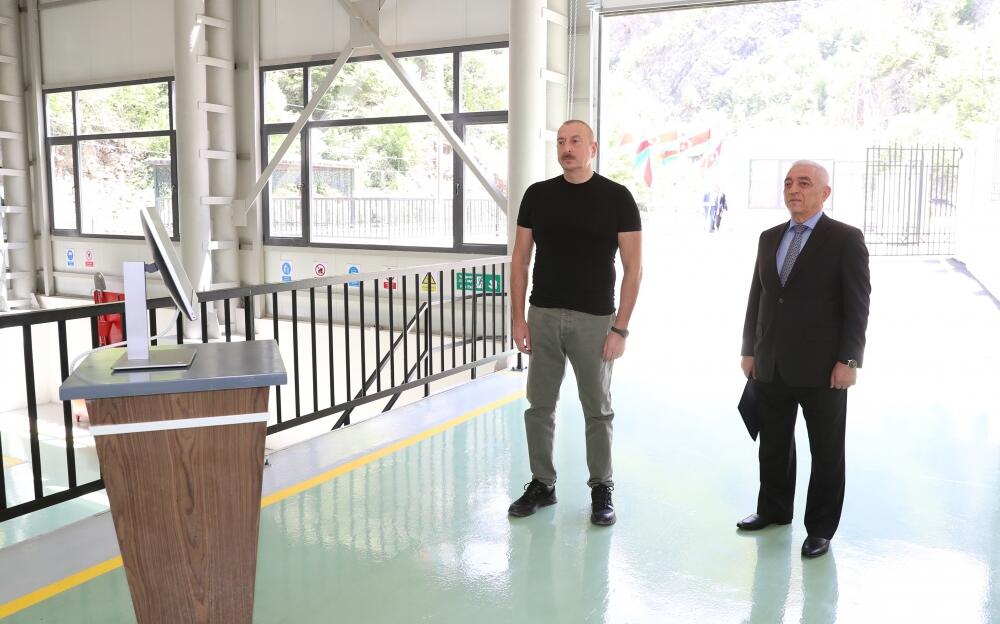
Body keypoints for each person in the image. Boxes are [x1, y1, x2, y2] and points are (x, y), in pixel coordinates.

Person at [507, 119, 643, 526]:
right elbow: (520, 260)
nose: (567, 148)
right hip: (543, 315)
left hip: (595, 320)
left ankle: (601, 487)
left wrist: (620, 328)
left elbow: (634, 269)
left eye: (576, 141)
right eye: (561, 142)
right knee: (539, 406)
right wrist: (518, 319)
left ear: (593, 148)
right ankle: (542, 483)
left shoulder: (617, 197)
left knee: (597, 409)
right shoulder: (537, 195)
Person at [738, 160, 871, 558]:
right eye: (788, 183)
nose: (793, 190)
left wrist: (849, 360)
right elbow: (759, 295)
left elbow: (857, 305)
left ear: (824, 193)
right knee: (773, 445)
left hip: (823, 368)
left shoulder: (845, 238)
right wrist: (749, 349)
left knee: (826, 451)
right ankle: (774, 510)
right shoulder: (769, 237)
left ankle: (821, 529)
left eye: (804, 183)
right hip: (771, 362)